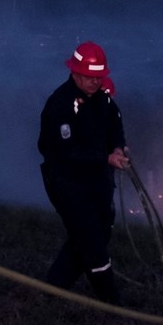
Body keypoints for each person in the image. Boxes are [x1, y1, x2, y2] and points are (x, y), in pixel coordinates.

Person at [38, 41, 129, 303]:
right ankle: (112, 302)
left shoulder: (104, 99)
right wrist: (106, 158)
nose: (95, 82)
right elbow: (65, 152)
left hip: (98, 182)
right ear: (75, 72)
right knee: (92, 243)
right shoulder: (60, 105)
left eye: (100, 76)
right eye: (90, 77)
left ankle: (53, 290)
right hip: (68, 184)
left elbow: (115, 126)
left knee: (97, 234)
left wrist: (118, 148)